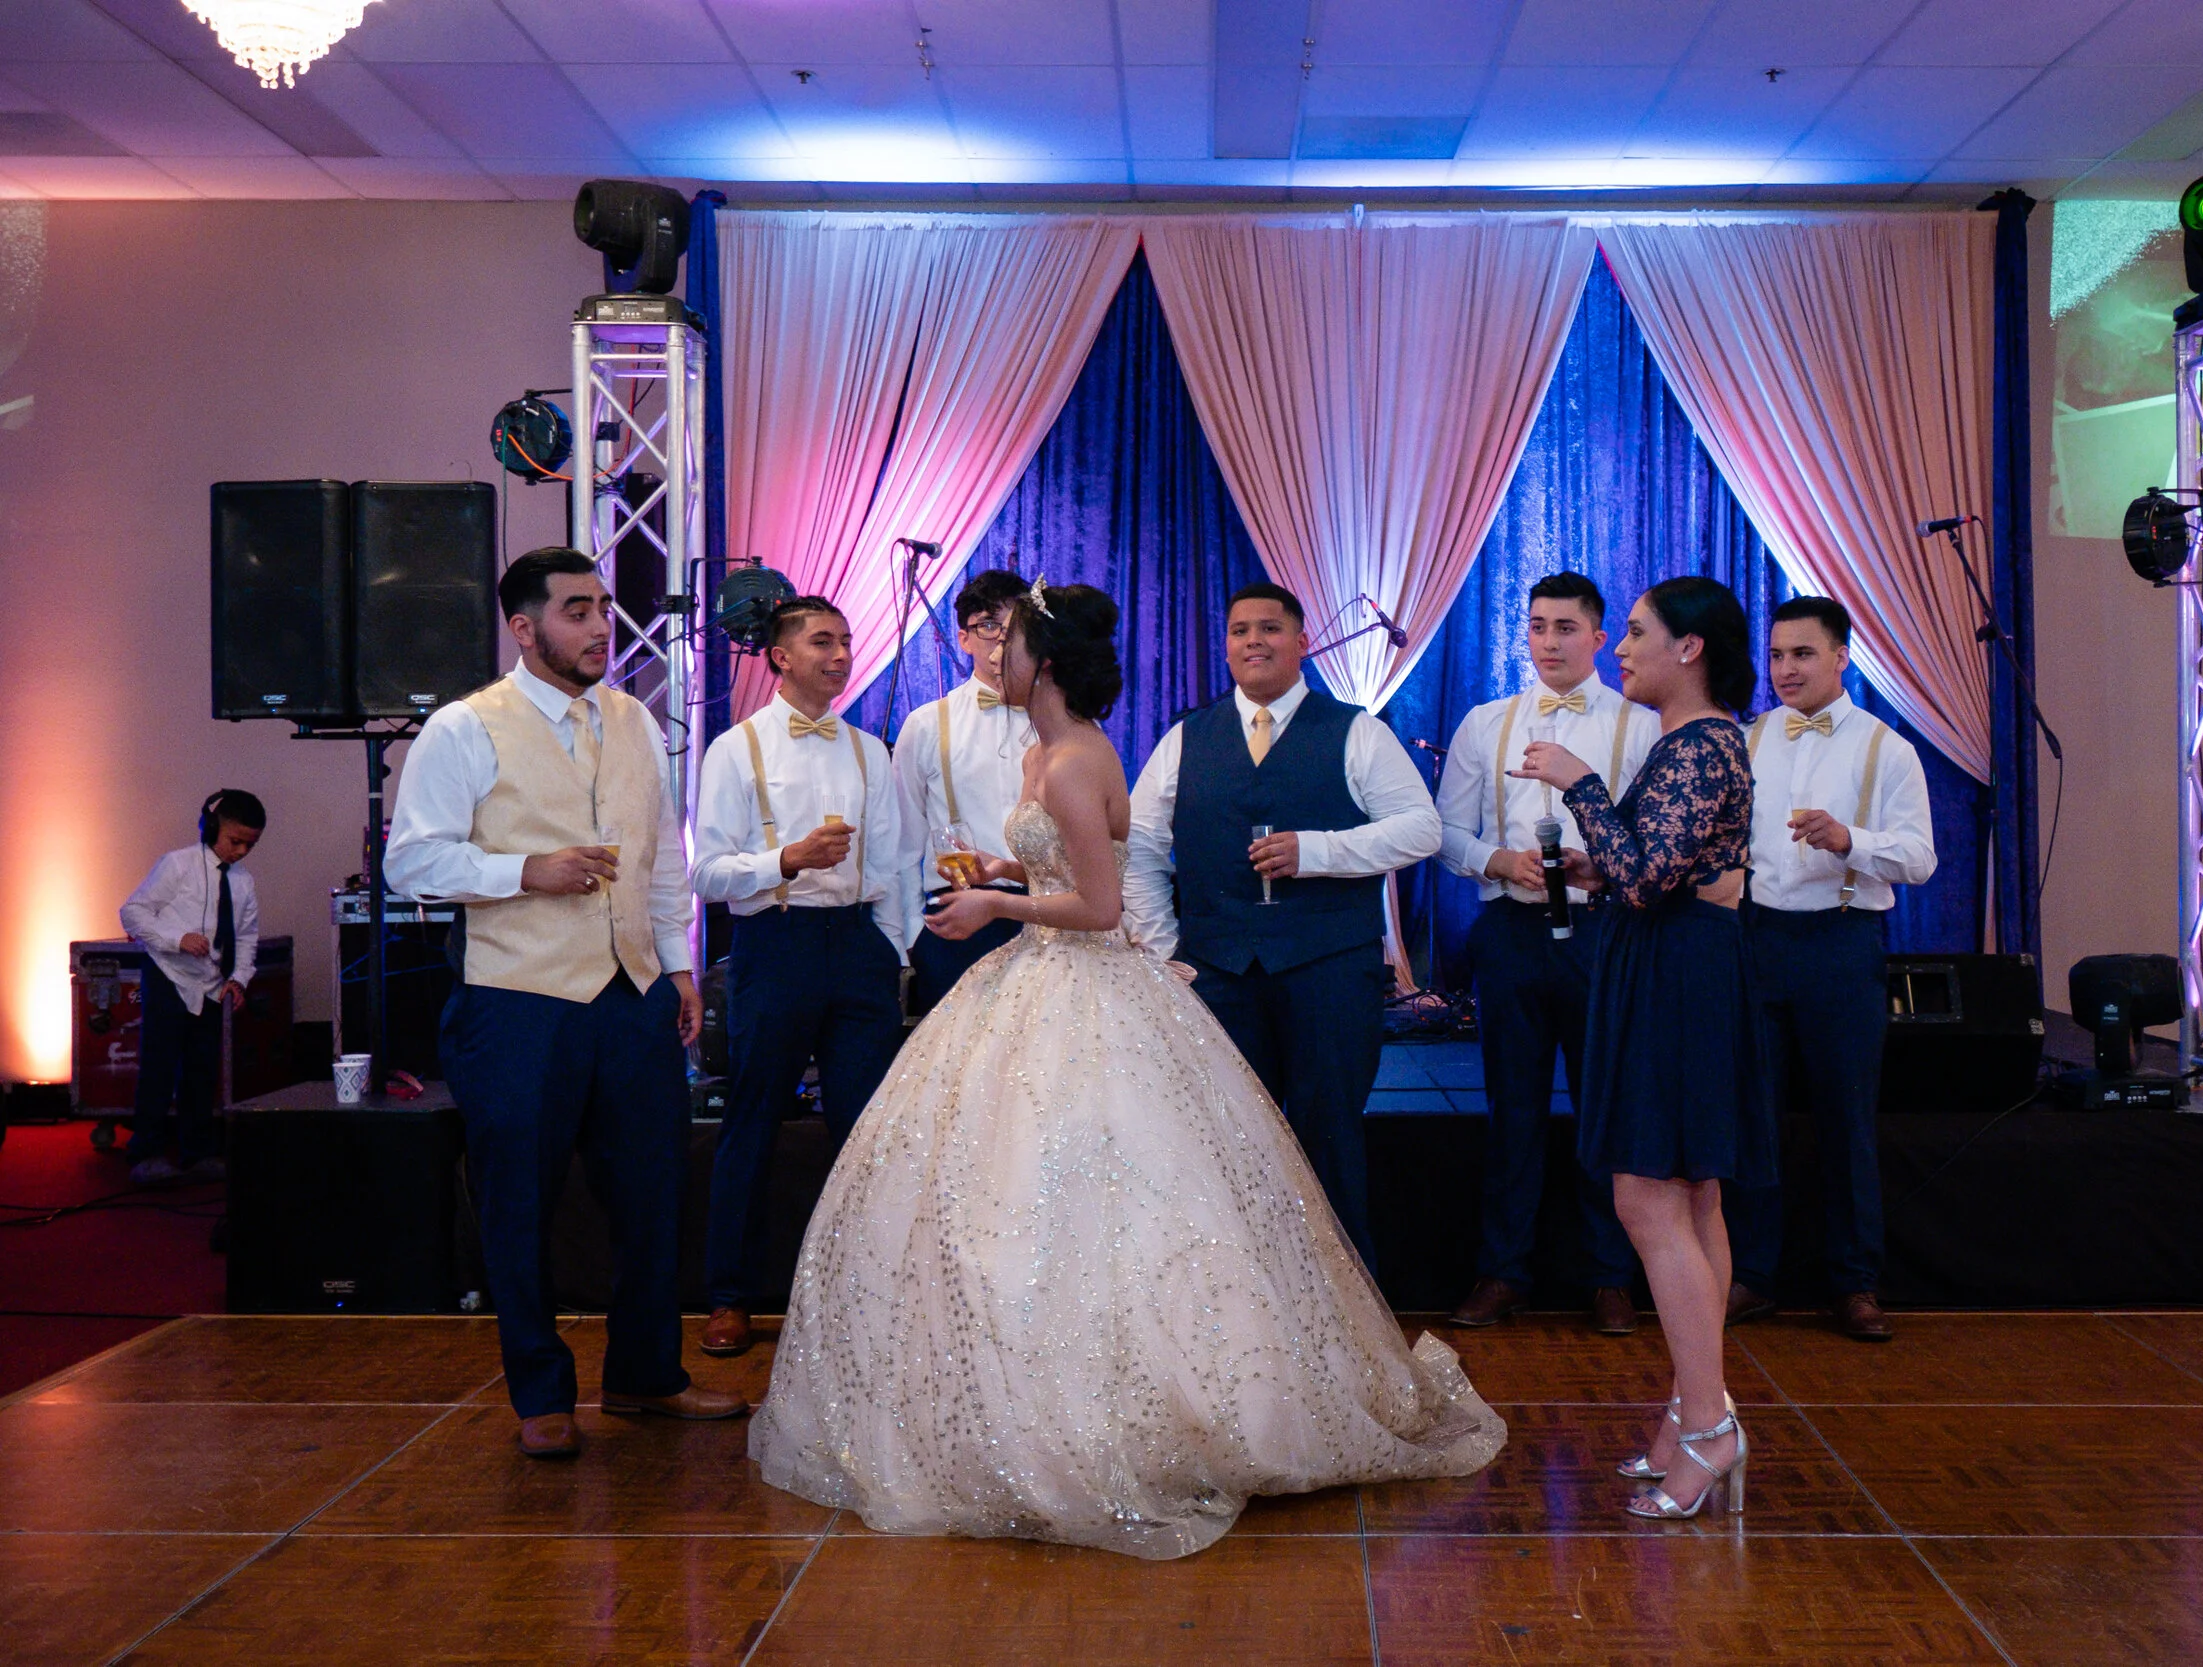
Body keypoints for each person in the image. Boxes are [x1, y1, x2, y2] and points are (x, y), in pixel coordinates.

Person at [750, 580, 1503, 1559]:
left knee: (1124, 1186)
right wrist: (1013, 875)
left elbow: (1100, 906)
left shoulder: (1072, 759)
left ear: (1047, 664)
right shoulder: (1056, 751)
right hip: (1050, 977)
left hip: (1088, 977)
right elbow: (1088, 864)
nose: (996, 658)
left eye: (1013, 644)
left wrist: (997, 906)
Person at [385, 547, 743, 1460]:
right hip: (517, 1002)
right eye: (576, 610)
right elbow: (410, 861)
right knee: (519, 1202)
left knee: (653, 1194)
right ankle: (541, 1394)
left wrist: (677, 967)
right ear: (524, 627)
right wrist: (524, 870)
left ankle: (645, 1374)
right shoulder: (465, 728)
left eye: (603, 609)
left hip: (632, 997)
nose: (599, 627)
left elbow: (660, 857)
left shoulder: (634, 719)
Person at [1512, 574, 1769, 1521]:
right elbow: (1646, 868)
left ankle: (1707, 1423)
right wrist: (1601, 865)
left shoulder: (1701, 742)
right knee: (1689, 1197)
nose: (1619, 649)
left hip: (1676, 973)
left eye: (1634, 632)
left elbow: (1652, 875)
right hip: (1675, 963)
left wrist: (1578, 783)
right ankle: (1693, 1412)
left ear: (1688, 648)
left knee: (1651, 1197)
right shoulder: (1696, 741)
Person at [1124, 582, 1442, 1272]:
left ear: (1301, 643)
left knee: (1330, 1139)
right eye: (1240, 630)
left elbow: (1422, 828)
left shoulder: (1356, 731)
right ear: (1226, 646)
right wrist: (1163, 950)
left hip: (1331, 970)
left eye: (1269, 628)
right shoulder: (1184, 739)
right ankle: (1244, 1303)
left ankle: (1343, 1306)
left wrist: (1318, 851)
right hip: (1218, 975)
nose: (1254, 641)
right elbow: (1140, 849)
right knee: (1227, 1143)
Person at [691, 598, 909, 1361]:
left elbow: (892, 863)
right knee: (753, 1117)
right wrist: (784, 860)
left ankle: (869, 1291)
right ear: (781, 656)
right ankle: (730, 1295)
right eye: (823, 641)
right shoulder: (735, 748)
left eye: (845, 640)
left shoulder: (870, 751)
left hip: (855, 944)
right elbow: (706, 871)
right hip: (774, 942)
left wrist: (892, 951)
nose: (841, 653)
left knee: (867, 1125)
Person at [1432, 574, 1643, 1335]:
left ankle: (1610, 1276)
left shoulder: (1640, 726)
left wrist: (1602, 869)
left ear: (1598, 638)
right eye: (1537, 626)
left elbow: (1654, 844)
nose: (1548, 641)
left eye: (1565, 628)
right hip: (1512, 934)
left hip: (1605, 934)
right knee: (1511, 1107)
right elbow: (1443, 831)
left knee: (1606, 1107)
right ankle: (1503, 1271)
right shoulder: (1487, 722)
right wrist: (1497, 861)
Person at [1723, 596, 1935, 1343]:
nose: (1786, 669)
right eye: (1777, 655)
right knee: (1754, 1116)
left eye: (1803, 654)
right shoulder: (1748, 740)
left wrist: (1851, 840)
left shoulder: (1886, 749)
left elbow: (1920, 858)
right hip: (1756, 939)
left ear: (1842, 657)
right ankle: (1753, 1275)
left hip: (1842, 943)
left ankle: (1855, 1282)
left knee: (1846, 1120)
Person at [893, 569, 1039, 1010]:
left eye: (1015, 628)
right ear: (964, 639)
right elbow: (902, 844)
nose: (1002, 641)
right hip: (959, 919)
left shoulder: (1061, 722)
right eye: (989, 626)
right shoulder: (926, 724)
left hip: (1045, 915)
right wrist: (911, 938)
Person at [117, 789, 265, 1186]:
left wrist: (238, 979)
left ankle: (197, 1151)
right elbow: (133, 912)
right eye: (236, 841)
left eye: (250, 845)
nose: (241, 851)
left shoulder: (244, 882)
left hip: (212, 986)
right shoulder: (177, 865)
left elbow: (246, 936)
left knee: (202, 1070)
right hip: (169, 974)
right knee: (159, 1065)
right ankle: (146, 1152)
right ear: (213, 827)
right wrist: (176, 938)